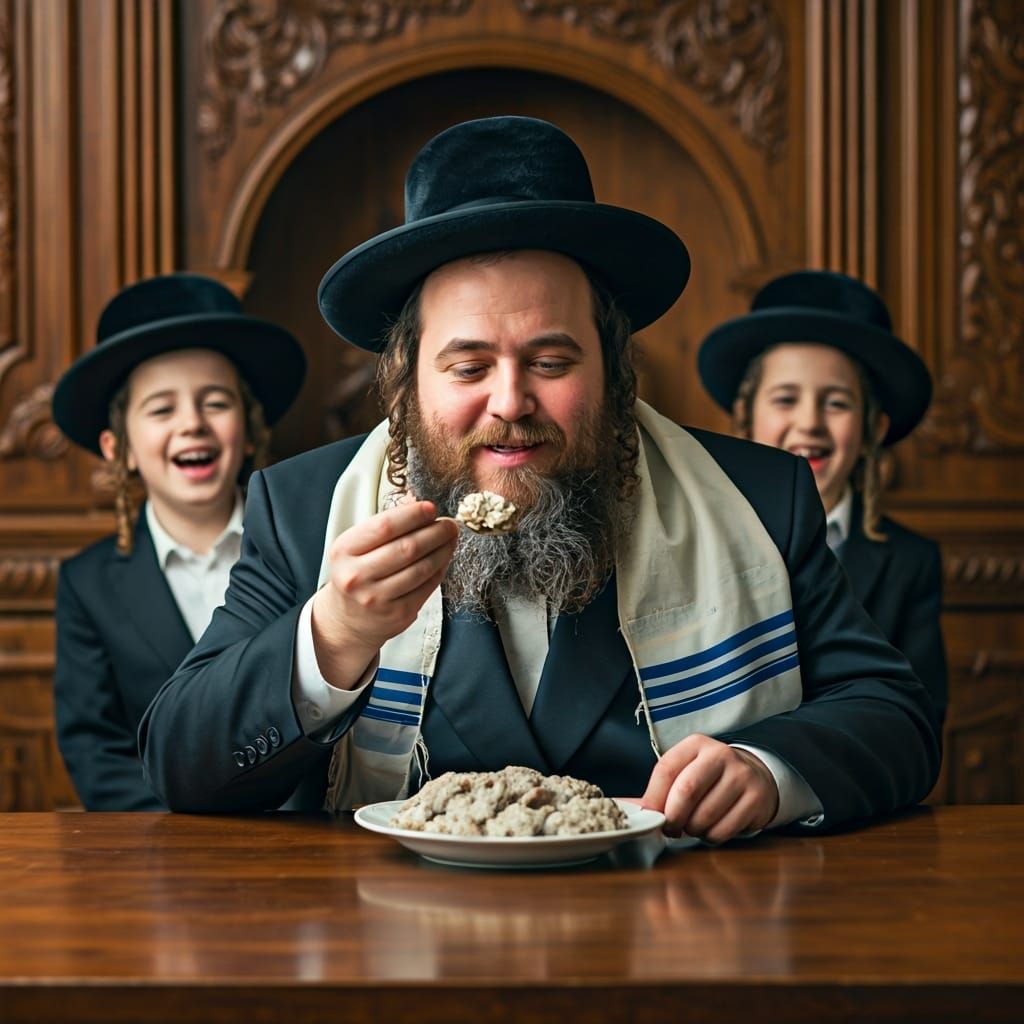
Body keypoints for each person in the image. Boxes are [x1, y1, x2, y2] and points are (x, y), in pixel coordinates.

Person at [140, 117, 939, 841]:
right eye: (469, 365)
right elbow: (182, 761)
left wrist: (772, 772)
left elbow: (895, 719)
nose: (511, 402)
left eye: (551, 362)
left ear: (614, 368)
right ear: (407, 380)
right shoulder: (305, 506)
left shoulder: (761, 498)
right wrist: (334, 637)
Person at [51, 273, 306, 810]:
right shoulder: (88, 583)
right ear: (118, 447)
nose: (192, 424)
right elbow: (99, 755)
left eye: (215, 402)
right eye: (162, 409)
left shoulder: (309, 548)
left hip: (307, 835)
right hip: (167, 858)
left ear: (250, 427)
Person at [697, 270, 948, 725]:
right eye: (786, 399)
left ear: (874, 428)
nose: (810, 423)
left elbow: (920, 717)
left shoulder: (911, 562)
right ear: (745, 417)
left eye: (836, 403)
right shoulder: (696, 543)